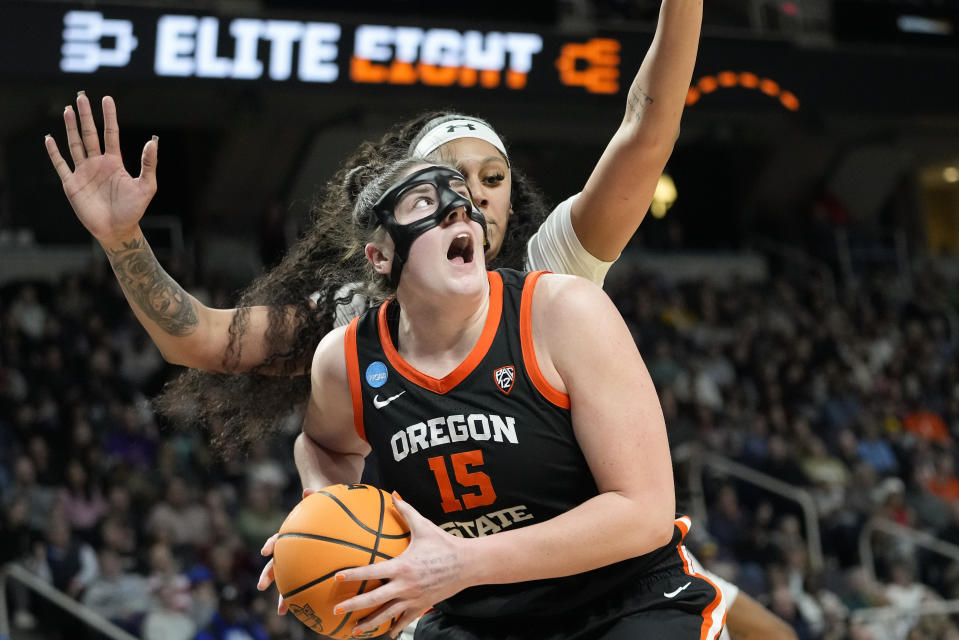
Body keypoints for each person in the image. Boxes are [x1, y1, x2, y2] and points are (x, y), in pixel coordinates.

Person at [278, 156, 726, 638]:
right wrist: (324, 531)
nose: (456, 208)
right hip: (475, 619)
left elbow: (645, 514)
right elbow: (323, 445)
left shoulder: (562, 311)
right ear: (381, 258)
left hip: (626, 601)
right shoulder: (346, 360)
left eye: (461, 198)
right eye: (424, 202)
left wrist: (464, 562)